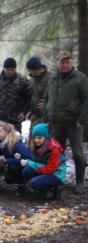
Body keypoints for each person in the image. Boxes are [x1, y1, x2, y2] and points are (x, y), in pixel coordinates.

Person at [43, 50, 88, 194]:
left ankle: (80, 182)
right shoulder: (53, 78)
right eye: (62, 62)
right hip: (56, 123)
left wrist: (82, 119)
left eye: (67, 62)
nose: (65, 65)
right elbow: (46, 100)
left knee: (77, 154)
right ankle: (58, 180)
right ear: (58, 63)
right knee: (56, 152)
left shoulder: (80, 78)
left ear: (72, 62)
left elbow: (86, 99)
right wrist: (46, 118)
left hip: (74, 123)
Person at [21, 123, 66, 200]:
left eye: (39, 138)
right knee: (26, 171)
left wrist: (29, 163)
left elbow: (50, 169)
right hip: (43, 169)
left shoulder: (53, 149)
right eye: (35, 138)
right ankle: (42, 191)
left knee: (33, 182)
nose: (36, 140)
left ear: (45, 137)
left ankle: (54, 189)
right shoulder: (35, 145)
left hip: (56, 174)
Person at [0, 57, 31, 132]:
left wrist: (25, 112)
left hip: (15, 120)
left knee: (14, 142)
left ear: (15, 69)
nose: (10, 72)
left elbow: (29, 99)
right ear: (4, 68)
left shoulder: (23, 81)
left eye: (12, 70)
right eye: (8, 70)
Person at [0, 121, 30, 197]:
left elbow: (27, 157)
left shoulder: (16, 143)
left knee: (13, 168)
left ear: (6, 132)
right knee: (8, 179)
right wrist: (0, 155)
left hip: (22, 166)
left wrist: (7, 160)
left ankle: (21, 185)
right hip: (10, 164)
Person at [25, 57, 52, 130]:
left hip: (48, 117)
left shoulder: (51, 78)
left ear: (38, 69)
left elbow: (59, 96)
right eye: (29, 71)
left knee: (46, 140)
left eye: (31, 71)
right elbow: (32, 96)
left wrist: (47, 103)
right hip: (35, 116)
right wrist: (30, 110)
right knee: (33, 139)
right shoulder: (32, 79)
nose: (30, 73)